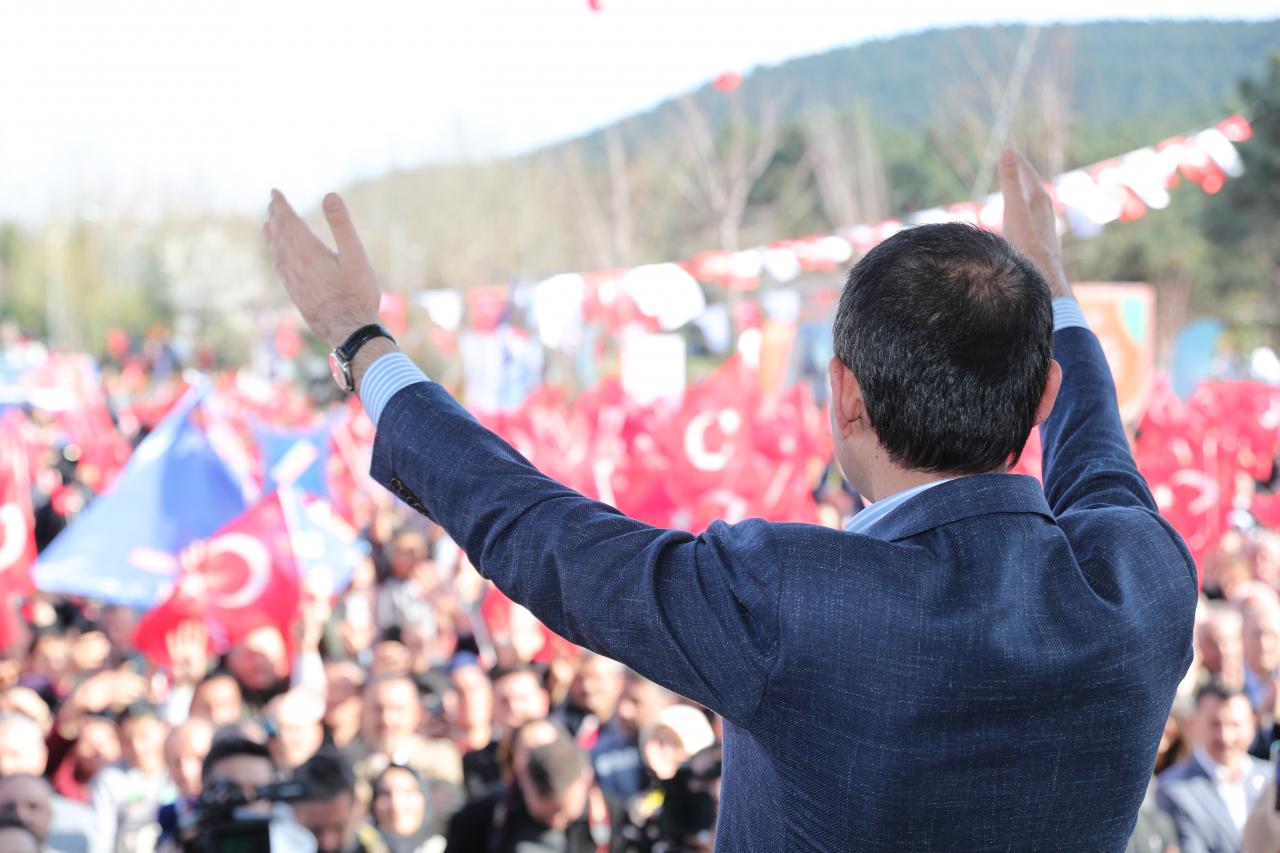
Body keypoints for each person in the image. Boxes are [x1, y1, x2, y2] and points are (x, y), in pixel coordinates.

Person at [267, 149, 1198, 849]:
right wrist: (1053, 292)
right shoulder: (1143, 583)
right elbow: (1099, 457)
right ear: (1041, 396)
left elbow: (544, 532)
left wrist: (360, 340)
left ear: (843, 395)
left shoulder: (792, 598)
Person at [445, 720, 624, 852]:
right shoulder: (480, 817)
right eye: (547, 813)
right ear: (523, 779)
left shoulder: (612, 815)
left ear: (585, 779)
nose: (555, 821)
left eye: (563, 813)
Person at [1158, 682, 1269, 852]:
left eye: (1235, 724)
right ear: (1194, 725)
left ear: (1252, 725)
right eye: (1215, 724)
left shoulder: (1271, 778)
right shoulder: (1173, 789)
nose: (1225, 736)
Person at [291, 748, 385, 853]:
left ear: (357, 805)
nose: (327, 843)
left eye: (338, 828)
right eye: (316, 830)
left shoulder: (377, 846)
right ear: (294, 811)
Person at [370, 765, 445, 853]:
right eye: (385, 794)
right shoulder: (363, 846)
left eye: (407, 792)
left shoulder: (447, 846)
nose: (396, 805)